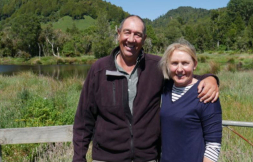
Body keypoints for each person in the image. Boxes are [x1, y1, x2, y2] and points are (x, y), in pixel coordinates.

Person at [73, 15, 219, 162]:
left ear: (144, 39)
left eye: (137, 34)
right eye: (127, 32)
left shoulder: (156, 67)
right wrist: (79, 158)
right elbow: (83, 120)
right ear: (118, 34)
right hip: (107, 157)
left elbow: (182, 75)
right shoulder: (99, 70)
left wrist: (210, 78)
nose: (131, 39)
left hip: (146, 158)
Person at [159, 41, 222, 162]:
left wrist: (212, 79)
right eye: (174, 63)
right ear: (167, 65)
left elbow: (213, 144)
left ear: (195, 64)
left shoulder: (206, 92)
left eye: (185, 63)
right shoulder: (165, 88)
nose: (179, 69)